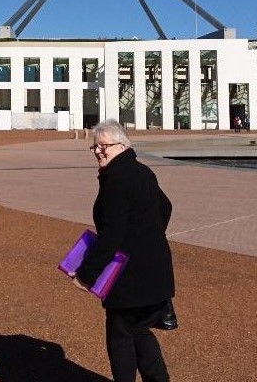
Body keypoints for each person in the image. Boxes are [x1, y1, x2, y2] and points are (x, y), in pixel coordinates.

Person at [72, 119, 174, 382]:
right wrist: (146, 237)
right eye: (94, 147)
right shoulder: (142, 171)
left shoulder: (116, 180)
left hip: (129, 280)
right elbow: (165, 208)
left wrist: (86, 274)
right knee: (140, 331)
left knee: (121, 339)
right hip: (154, 273)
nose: (97, 151)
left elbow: (111, 237)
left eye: (103, 146)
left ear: (121, 146)